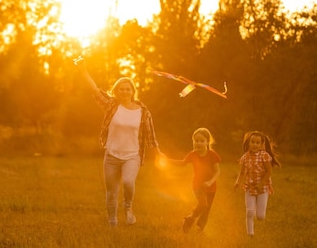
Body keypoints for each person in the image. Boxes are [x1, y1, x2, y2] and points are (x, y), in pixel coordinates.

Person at [75, 56, 162, 227]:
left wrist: (160, 154)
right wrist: (83, 70)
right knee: (111, 192)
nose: (124, 91)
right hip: (112, 156)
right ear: (116, 91)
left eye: (127, 89)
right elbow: (95, 90)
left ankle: (128, 207)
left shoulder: (143, 111)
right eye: (121, 89)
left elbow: (151, 136)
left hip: (132, 156)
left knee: (129, 183)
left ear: (132, 91)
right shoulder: (111, 105)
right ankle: (112, 223)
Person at [168, 128, 221, 233]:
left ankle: (199, 229)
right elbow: (182, 163)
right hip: (198, 185)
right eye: (196, 141)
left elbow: (217, 172)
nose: (199, 143)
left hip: (211, 187)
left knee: (206, 210)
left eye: (202, 141)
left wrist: (210, 182)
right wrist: (167, 160)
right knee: (203, 204)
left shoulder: (212, 155)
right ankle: (190, 219)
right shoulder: (193, 154)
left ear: (207, 142)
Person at [233, 131, 281, 237]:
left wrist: (261, 184)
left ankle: (256, 213)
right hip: (249, 187)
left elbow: (269, 171)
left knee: (260, 216)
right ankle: (250, 234)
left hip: (262, 189)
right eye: (252, 142)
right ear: (249, 143)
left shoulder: (264, 156)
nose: (254, 144)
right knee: (249, 212)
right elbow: (242, 173)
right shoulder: (245, 157)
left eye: (257, 143)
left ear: (261, 144)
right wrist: (237, 182)